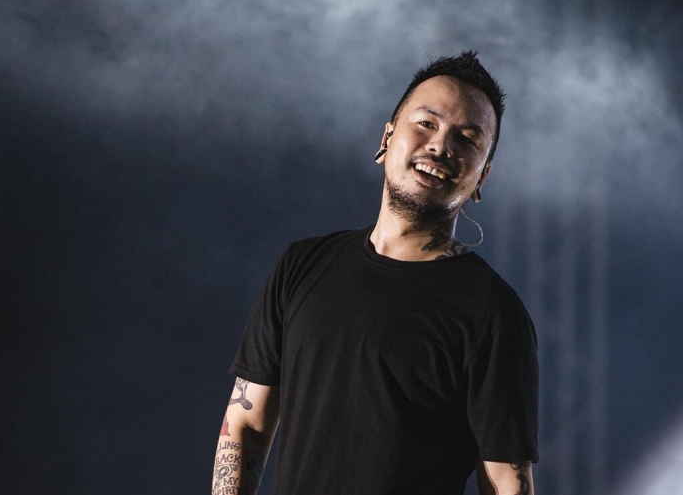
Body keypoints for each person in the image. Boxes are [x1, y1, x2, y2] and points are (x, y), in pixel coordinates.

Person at [212, 51, 539, 495]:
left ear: (481, 177)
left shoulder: (494, 313)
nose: (440, 146)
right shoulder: (301, 266)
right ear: (387, 138)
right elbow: (245, 426)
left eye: (466, 138)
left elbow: (506, 482)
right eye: (426, 123)